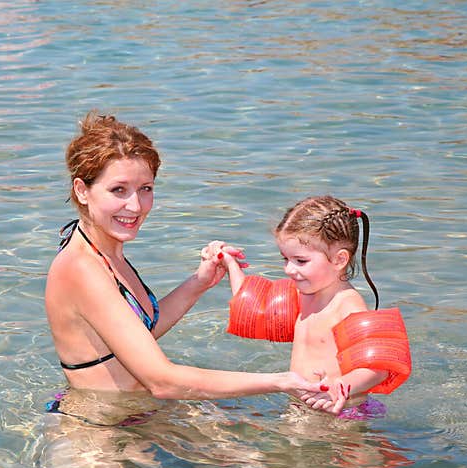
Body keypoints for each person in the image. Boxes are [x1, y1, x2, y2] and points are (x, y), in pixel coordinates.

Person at [44, 111, 346, 412]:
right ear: (82, 190)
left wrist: (199, 282)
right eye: (118, 190)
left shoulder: (105, 249)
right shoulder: (82, 268)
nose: (135, 206)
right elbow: (164, 382)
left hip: (131, 416)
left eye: (145, 189)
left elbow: (136, 336)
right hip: (98, 438)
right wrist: (281, 381)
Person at [213, 195, 412, 419]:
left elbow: (377, 367)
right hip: (303, 406)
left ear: (339, 260)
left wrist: (342, 385)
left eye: (300, 261)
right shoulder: (304, 293)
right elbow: (253, 306)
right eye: (285, 259)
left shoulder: (347, 305)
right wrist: (230, 265)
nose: (289, 269)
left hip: (342, 411)